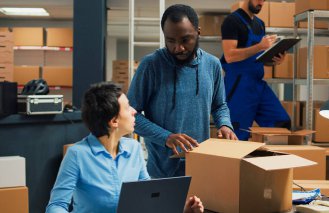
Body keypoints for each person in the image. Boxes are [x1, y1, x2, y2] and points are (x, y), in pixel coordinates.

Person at [46, 82, 204, 213]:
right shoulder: (77, 155)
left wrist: (182, 209)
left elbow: (148, 196)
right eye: (128, 107)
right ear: (114, 121)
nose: (134, 111)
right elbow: (56, 205)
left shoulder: (134, 148)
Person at [127, 4, 237, 178]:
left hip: (200, 166)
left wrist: (224, 124)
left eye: (185, 40)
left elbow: (219, 105)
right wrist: (166, 137)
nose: (178, 48)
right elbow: (131, 115)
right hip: (162, 171)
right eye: (171, 41)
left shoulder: (212, 64)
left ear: (198, 32)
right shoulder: (151, 65)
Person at [221, 0, 291, 141]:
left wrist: (275, 60)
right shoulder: (231, 21)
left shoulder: (260, 24)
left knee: (281, 123)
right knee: (237, 135)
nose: (261, 2)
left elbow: (257, 58)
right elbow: (229, 56)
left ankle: (271, 162)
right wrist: (260, 46)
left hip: (257, 84)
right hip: (238, 87)